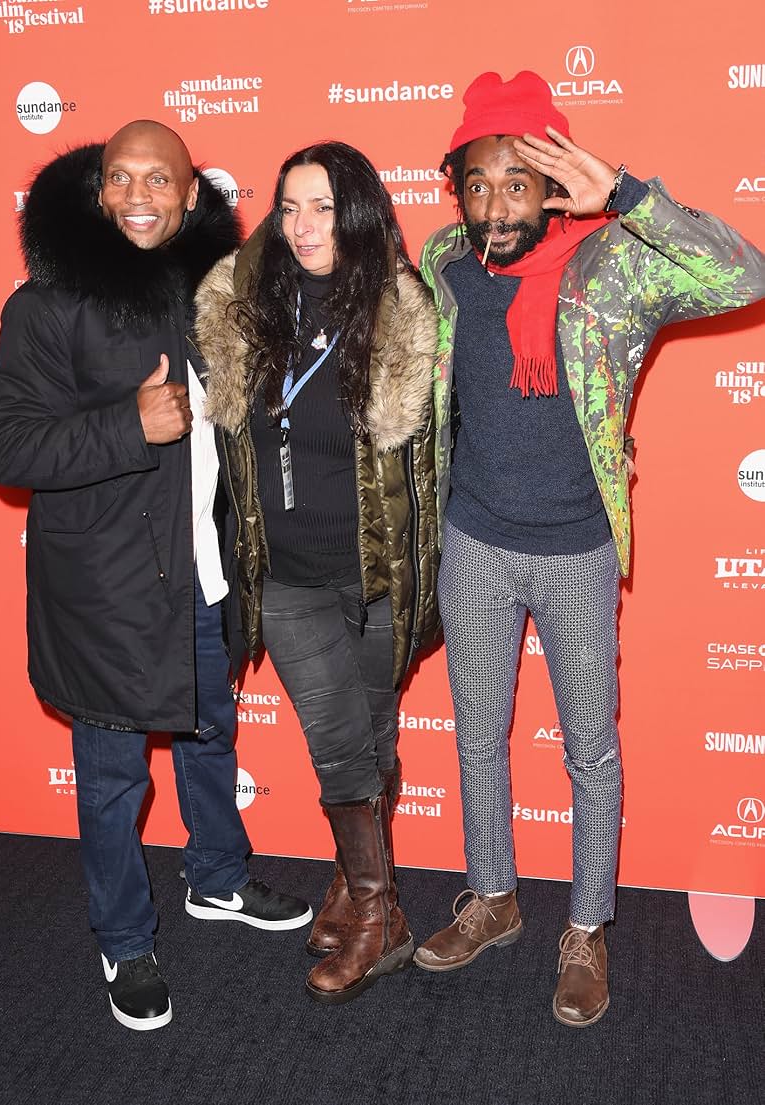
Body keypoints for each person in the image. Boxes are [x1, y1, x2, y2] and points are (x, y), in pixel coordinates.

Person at [413, 71, 765, 1027]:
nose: (494, 205)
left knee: (590, 749)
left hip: (575, 548)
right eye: (477, 183)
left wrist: (627, 194)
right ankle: (493, 897)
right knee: (478, 735)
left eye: (516, 184)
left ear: (551, 184)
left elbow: (747, 274)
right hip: (473, 539)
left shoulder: (614, 263)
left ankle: (587, 926)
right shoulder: (445, 258)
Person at [0, 120, 311, 1032]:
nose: (137, 196)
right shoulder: (46, 305)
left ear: (189, 195)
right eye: (119, 178)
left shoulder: (214, 297)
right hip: (107, 594)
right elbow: (1, 444)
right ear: (97, 191)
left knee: (209, 734)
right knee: (114, 776)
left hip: (203, 572)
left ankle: (218, 879)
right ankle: (124, 938)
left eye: (157, 181)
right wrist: (127, 424)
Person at [194, 141, 440, 1004]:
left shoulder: (402, 311)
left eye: (324, 207)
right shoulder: (242, 309)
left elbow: (442, 451)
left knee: (374, 738)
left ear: (360, 211)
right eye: (291, 206)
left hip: (378, 570)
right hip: (290, 575)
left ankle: (351, 885)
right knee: (339, 744)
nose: (303, 226)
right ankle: (381, 917)